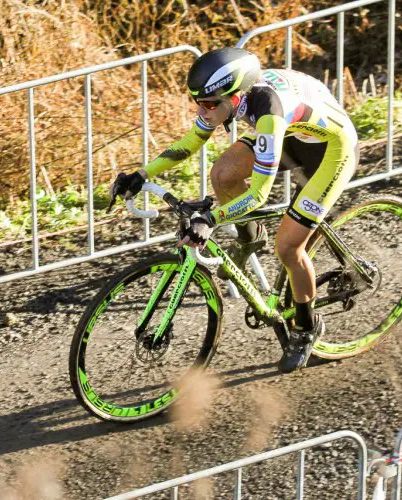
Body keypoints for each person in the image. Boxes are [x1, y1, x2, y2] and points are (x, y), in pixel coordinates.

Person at [111, 48, 359, 373]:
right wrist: (141, 175)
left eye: (211, 104)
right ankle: (250, 239)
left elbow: (258, 194)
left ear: (236, 94)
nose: (204, 111)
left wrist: (209, 219)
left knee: (288, 247)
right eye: (198, 102)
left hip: (332, 152)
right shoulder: (232, 99)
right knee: (223, 174)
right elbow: (189, 143)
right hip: (297, 134)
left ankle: (308, 326)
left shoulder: (268, 113)